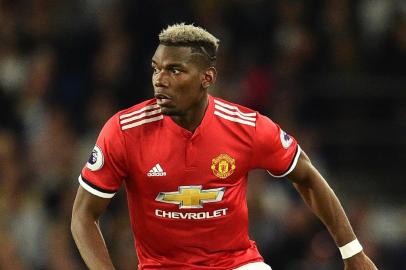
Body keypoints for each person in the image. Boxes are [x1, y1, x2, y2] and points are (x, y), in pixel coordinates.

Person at [71, 23, 378, 270]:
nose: (159, 80)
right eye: (156, 68)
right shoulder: (124, 131)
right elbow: (84, 215)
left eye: (174, 70)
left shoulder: (247, 127)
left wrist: (352, 252)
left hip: (237, 264)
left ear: (207, 77)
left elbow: (307, 177)